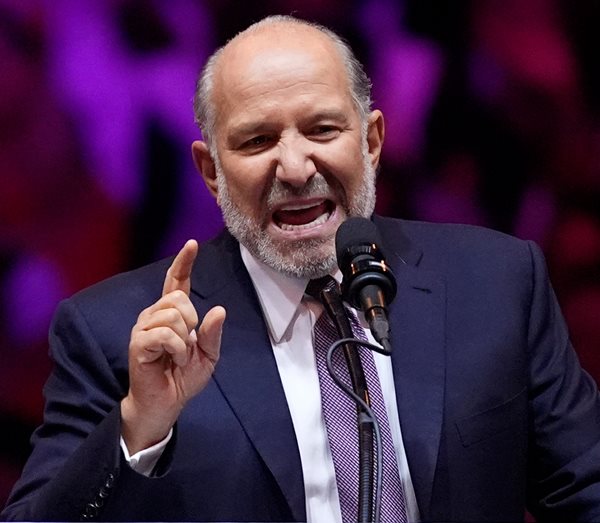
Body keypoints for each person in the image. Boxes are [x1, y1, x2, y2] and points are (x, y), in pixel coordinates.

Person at [3, 14, 600, 523]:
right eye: (257, 141)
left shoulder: (496, 283)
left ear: (372, 142)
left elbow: (585, 490)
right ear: (211, 172)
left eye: (322, 129)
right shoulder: (118, 333)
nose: (294, 167)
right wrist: (140, 425)